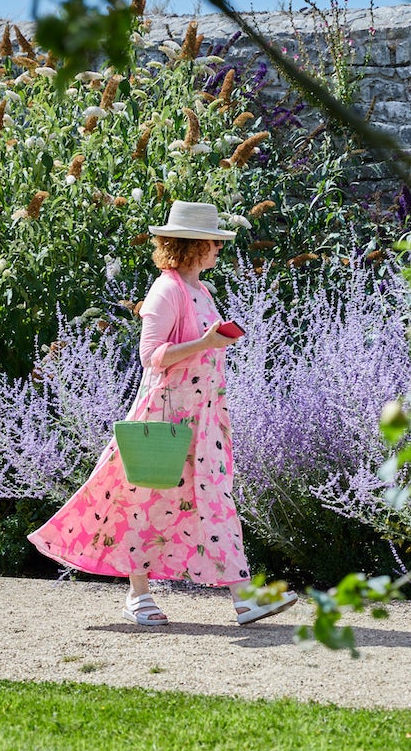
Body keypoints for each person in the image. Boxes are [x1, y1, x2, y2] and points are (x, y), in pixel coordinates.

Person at [28, 201, 299, 627]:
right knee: (144, 500)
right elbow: (151, 356)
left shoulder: (202, 290)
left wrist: (213, 348)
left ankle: (243, 597)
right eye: (213, 242)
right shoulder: (166, 290)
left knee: (215, 498)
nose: (218, 250)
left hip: (204, 418)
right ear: (192, 246)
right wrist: (206, 344)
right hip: (167, 416)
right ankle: (140, 597)